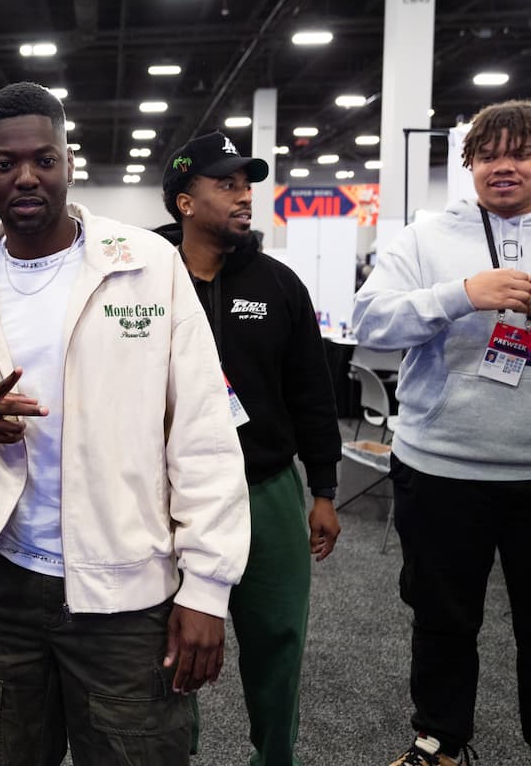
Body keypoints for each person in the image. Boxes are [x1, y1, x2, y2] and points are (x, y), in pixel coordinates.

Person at [0, 81, 250, 765]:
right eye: (6, 164)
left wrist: (208, 589)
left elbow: (203, 434)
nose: (26, 177)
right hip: (3, 585)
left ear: (69, 161)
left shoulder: (147, 265)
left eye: (43, 158)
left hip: (126, 589)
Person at [354, 99, 531, 766]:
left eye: (520, 152)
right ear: (470, 165)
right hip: (440, 468)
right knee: (444, 620)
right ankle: (439, 740)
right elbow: (369, 323)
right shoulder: (427, 237)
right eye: (489, 154)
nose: (504, 165)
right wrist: (461, 294)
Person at [159, 131, 343, 765]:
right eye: (227, 184)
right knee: (169, 650)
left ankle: (275, 758)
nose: (245, 197)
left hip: (265, 489)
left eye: (248, 184)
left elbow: (313, 395)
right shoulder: (143, 280)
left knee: (277, 643)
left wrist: (323, 490)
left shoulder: (279, 285)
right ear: (184, 201)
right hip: (165, 496)